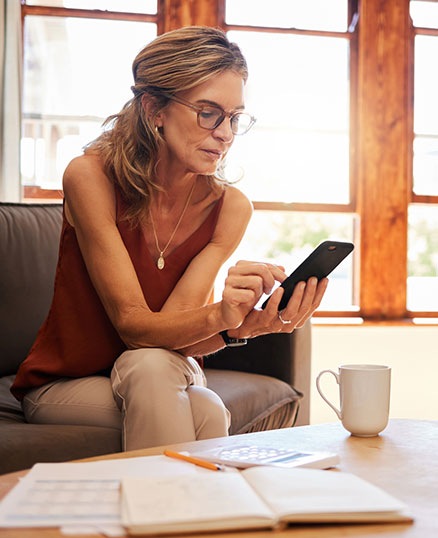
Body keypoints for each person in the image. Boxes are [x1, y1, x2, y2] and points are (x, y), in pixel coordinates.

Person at [11, 26, 328, 451]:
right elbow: (135, 329)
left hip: (164, 369)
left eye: (234, 117)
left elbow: (170, 335)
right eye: (208, 112)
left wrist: (245, 327)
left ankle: (160, 512)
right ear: (154, 108)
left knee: (154, 368)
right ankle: (216, 513)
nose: (225, 133)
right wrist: (223, 314)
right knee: (204, 408)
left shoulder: (230, 207)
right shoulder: (90, 176)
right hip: (69, 383)